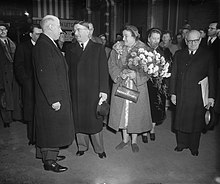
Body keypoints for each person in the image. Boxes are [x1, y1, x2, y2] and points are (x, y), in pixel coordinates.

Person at [32, 15, 74, 172]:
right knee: (51, 128)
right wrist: (54, 99)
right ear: (50, 27)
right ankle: (49, 162)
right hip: (51, 97)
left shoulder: (48, 43)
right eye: (58, 27)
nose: (61, 30)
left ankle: (50, 154)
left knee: (51, 128)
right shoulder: (44, 46)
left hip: (52, 95)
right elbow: (46, 76)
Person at [65, 21, 109, 159]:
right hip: (76, 91)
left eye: (78, 30)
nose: (75, 33)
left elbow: (103, 70)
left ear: (88, 31)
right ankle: (82, 146)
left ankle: (99, 149)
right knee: (78, 120)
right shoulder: (71, 49)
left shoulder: (98, 48)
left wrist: (104, 90)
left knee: (94, 120)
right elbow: (68, 71)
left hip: (93, 92)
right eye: (75, 30)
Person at [170, 30, 216, 156]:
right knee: (181, 120)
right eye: (190, 41)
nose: (192, 43)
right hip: (181, 93)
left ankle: (194, 147)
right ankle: (181, 144)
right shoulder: (179, 54)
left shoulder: (207, 55)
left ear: (200, 40)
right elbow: (173, 75)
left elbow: (212, 76)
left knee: (196, 122)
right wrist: (172, 93)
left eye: (195, 40)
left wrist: (211, 97)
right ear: (186, 41)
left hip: (197, 94)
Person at [108, 25, 152, 153]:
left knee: (135, 114)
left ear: (135, 36)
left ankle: (134, 141)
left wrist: (136, 75)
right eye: (123, 35)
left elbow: (149, 69)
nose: (123, 38)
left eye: (126, 36)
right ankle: (125, 139)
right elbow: (111, 64)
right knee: (122, 113)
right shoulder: (118, 47)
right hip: (122, 84)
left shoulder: (144, 49)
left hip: (137, 86)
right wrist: (119, 74)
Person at [142, 28, 172, 143]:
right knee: (145, 107)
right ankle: (144, 130)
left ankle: (152, 129)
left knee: (156, 107)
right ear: (148, 38)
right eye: (153, 38)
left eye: (157, 38)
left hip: (158, 84)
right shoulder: (142, 50)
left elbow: (168, 66)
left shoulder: (163, 51)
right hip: (145, 84)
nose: (155, 40)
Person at [14, 24, 42, 145]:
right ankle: (32, 137)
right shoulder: (23, 47)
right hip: (29, 86)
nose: (39, 36)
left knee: (41, 112)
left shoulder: (43, 46)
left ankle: (41, 137)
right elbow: (18, 67)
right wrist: (25, 82)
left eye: (41, 34)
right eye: (37, 34)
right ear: (31, 35)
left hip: (41, 85)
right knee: (30, 112)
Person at [0, 22, 22, 128]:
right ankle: (6, 120)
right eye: (0, 29)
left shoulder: (12, 43)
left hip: (12, 75)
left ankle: (13, 117)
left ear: (7, 31)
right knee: (3, 98)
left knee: (12, 97)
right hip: (2, 76)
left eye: (4, 29)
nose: (2, 31)